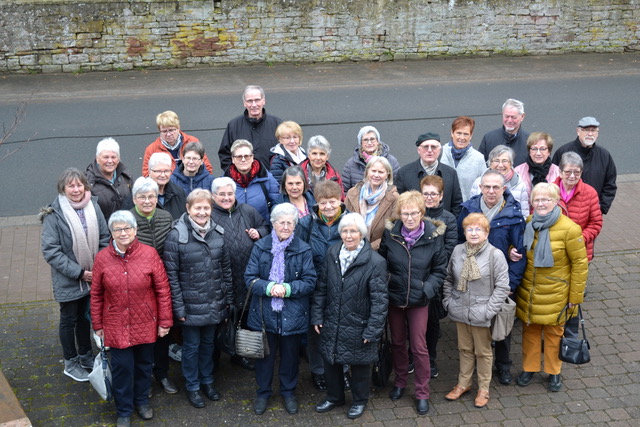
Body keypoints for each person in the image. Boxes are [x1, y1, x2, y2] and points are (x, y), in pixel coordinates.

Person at [91, 210, 173, 427]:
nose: (123, 233)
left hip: (145, 321)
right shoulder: (102, 258)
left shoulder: (149, 254)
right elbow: (96, 294)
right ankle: (124, 410)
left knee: (144, 365)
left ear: (135, 230)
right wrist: (97, 324)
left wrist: (165, 321)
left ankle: (142, 401)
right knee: (122, 368)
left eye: (127, 228)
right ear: (111, 233)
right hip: (116, 323)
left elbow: (163, 290)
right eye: (117, 229)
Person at [312, 213, 388, 420]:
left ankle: (360, 400)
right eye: (344, 231)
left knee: (360, 365)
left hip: (359, 322)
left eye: (353, 231)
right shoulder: (332, 252)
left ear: (361, 233)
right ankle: (334, 397)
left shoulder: (375, 262)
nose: (348, 235)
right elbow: (322, 287)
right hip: (332, 319)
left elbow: (380, 301)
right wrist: (317, 316)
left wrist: (372, 330)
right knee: (331, 361)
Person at [378, 191, 448, 416]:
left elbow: (440, 270)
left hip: (419, 300)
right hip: (395, 297)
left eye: (414, 213)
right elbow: (382, 262)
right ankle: (400, 381)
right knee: (398, 342)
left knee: (419, 346)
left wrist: (427, 289)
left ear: (422, 213)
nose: (409, 218)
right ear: (399, 214)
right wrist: (389, 281)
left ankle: (422, 392)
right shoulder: (391, 234)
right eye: (405, 214)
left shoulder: (433, 237)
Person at [244, 203, 317, 416]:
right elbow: (249, 278)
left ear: (295, 225)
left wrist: (287, 289)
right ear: (273, 224)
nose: (285, 226)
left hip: (293, 313)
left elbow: (310, 281)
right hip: (264, 312)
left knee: (290, 357)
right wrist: (269, 287)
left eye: (290, 223)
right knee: (264, 357)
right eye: (281, 222)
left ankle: (288, 392)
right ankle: (263, 393)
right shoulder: (261, 247)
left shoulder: (303, 249)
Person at [163, 189, 233, 409]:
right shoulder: (176, 236)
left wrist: (227, 300)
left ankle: (207, 381)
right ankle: (192, 386)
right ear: (188, 208)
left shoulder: (218, 233)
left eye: (206, 208)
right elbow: (172, 277)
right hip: (190, 306)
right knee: (191, 347)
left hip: (214, 303)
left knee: (208, 345)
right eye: (197, 208)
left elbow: (225, 270)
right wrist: (179, 308)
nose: (202, 212)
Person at [515, 183, 588, 392]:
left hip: (557, 292)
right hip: (530, 290)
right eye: (537, 199)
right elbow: (522, 250)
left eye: (546, 199)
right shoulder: (530, 222)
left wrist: (575, 297)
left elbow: (580, 264)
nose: (541, 203)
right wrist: (513, 250)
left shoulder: (570, 228)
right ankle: (529, 368)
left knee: (554, 333)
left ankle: (554, 371)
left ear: (556, 201)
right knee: (530, 331)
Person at [40, 168, 110, 382]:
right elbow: (51, 251)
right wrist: (80, 273)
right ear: (63, 189)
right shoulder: (53, 214)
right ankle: (70, 363)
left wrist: (97, 268)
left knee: (84, 318)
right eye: (71, 186)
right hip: (69, 279)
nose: (76, 189)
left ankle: (86, 356)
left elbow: (104, 237)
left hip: (92, 276)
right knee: (69, 320)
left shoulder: (93, 206)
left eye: (79, 185)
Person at [458, 169, 526, 385]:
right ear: (480, 187)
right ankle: (475, 365)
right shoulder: (468, 209)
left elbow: (520, 252)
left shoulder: (513, 214)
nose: (491, 191)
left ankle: (503, 365)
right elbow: (458, 243)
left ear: (504, 189)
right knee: (475, 326)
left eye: (496, 187)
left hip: (501, 282)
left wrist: (511, 284)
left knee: (501, 325)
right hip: (473, 281)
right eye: (486, 186)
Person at [443, 213, 510, 408]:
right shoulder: (458, 250)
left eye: (478, 229)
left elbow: (502, 287)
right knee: (464, 349)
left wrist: (488, 311)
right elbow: (448, 278)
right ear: (464, 232)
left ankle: (483, 389)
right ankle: (463, 384)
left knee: (483, 352)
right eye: (469, 229)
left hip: (482, 312)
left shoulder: (495, 255)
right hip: (460, 310)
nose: (473, 233)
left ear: (486, 233)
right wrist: (448, 302)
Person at [210, 177, 268, 370]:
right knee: (221, 318)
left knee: (244, 314)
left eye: (230, 194)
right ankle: (214, 359)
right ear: (213, 196)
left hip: (245, 273)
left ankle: (240, 353)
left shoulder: (247, 211)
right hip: (221, 275)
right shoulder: (209, 214)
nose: (226, 198)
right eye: (222, 194)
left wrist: (259, 232)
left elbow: (265, 227)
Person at [129, 177, 177, 395]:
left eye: (151, 196)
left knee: (163, 333)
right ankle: (144, 377)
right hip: (138, 288)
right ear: (134, 199)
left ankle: (162, 373)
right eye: (142, 197)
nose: (147, 201)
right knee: (142, 336)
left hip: (163, 284)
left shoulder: (166, 217)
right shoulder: (127, 220)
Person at [307, 179, 350, 392]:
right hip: (316, 287)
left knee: (343, 330)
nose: (328, 206)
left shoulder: (350, 221)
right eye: (323, 203)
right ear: (317, 203)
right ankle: (318, 371)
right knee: (316, 331)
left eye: (332, 201)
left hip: (343, 287)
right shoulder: (307, 224)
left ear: (340, 200)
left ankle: (344, 370)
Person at [420, 175, 458, 378]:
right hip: (415, 274)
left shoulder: (448, 218)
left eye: (433, 194)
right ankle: (413, 355)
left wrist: (434, 268)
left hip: (436, 275)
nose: (429, 197)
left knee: (432, 321)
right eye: (425, 193)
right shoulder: (415, 213)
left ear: (441, 195)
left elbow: (450, 248)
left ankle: (430, 358)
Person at [551, 116, 617, 214]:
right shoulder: (563, 152)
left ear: (597, 133)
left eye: (593, 130)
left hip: (592, 211)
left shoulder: (604, 155)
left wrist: (601, 207)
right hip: (566, 211)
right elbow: (553, 179)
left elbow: (610, 184)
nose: (590, 134)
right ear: (578, 131)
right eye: (586, 130)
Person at [394, 132, 463, 217]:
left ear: (439, 150)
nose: (429, 150)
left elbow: (457, 205)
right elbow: (398, 205)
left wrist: (450, 223)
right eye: (425, 147)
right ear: (418, 150)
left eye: (434, 147)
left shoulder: (451, 173)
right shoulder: (404, 173)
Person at [218, 85, 282, 170]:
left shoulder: (277, 124)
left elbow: (286, 153)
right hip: (242, 178)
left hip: (272, 177)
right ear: (244, 103)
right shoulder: (233, 126)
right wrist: (235, 174)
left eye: (257, 100)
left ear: (263, 101)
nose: (254, 105)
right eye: (250, 101)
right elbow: (225, 156)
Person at [554, 152, 603, 262]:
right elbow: (538, 218)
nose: (572, 176)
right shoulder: (548, 191)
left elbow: (596, 223)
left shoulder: (590, 193)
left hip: (580, 251)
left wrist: (580, 239)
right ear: (560, 172)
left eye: (576, 172)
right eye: (568, 172)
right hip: (555, 251)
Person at [345, 156, 399, 250]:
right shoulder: (352, 193)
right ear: (367, 172)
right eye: (373, 171)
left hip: (379, 251)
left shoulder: (394, 198)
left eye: (381, 172)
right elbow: (344, 222)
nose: (376, 175)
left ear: (387, 175)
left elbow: (394, 230)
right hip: (352, 247)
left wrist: (368, 248)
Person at [223, 139, 281, 223]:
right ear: (233, 159)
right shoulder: (224, 182)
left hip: (263, 228)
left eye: (246, 156)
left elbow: (277, 206)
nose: (243, 160)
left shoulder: (267, 179)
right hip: (234, 229)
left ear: (252, 157)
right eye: (239, 157)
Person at [142, 110, 213, 177]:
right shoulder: (152, 149)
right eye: (164, 131)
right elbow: (147, 174)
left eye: (171, 130)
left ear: (178, 128)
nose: (168, 134)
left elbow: (207, 168)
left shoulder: (192, 141)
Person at [469, 145, 530, 217]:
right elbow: (471, 211)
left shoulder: (520, 185)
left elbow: (524, 215)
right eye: (496, 161)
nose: (500, 165)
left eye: (504, 161)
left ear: (511, 164)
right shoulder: (478, 182)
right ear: (490, 163)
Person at [85, 137, 133, 221]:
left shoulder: (126, 177)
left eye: (113, 157)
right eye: (106, 157)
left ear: (118, 159)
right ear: (97, 159)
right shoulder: (88, 182)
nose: (110, 161)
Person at [342, 125, 401, 193]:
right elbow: (344, 191)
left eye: (372, 139)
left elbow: (398, 187)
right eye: (365, 140)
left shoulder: (391, 161)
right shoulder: (351, 164)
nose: (369, 143)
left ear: (378, 141)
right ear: (361, 143)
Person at [440, 116, 486, 202]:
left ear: (471, 135)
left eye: (466, 134)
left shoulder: (478, 158)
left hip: (467, 208)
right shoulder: (440, 153)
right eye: (459, 133)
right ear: (452, 133)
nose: (462, 137)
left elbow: (484, 188)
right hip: (442, 207)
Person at [478, 98, 530, 166]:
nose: (509, 120)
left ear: (522, 116)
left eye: (513, 117)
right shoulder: (488, 139)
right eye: (506, 116)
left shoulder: (530, 142)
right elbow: (480, 166)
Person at [514, 132, 562, 205]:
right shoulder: (518, 171)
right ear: (529, 151)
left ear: (549, 152)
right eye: (534, 149)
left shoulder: (558, 172)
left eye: (543, 149)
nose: (538, 153)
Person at [299, 135, 344, 199]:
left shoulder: (335, 176)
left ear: (327, 157)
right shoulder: (298, 172)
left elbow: (340, 199)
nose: (318, 158)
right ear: (309, 155)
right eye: (314, 153)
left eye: (322, 154)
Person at [280, 165, 316, 242]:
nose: (294, 187)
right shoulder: (279, 207)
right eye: (290, 183)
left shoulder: (314, 199)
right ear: (284, 185)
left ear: (304, 183)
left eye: (298, 183)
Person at [148, 152, 187, 220]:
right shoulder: (141, 194)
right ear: (149, 172)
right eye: (158, 171)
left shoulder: (179, 193)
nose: (163, 175)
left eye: (166, 171)